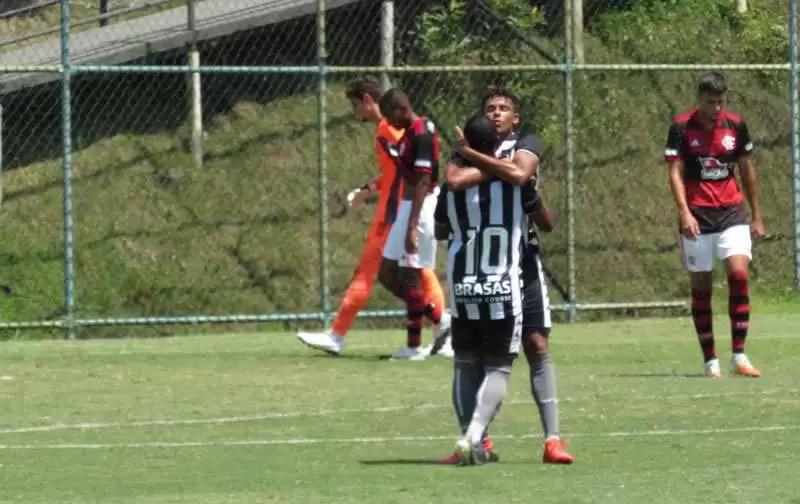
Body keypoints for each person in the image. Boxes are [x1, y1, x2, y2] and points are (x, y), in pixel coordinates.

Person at [438, 88, 574, 464]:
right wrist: (491, 168)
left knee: (537, 346)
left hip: (523, 261)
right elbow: (454, 180)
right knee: (480, 356)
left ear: (515, 118)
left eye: (504, 108)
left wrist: (478, 161)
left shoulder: (526, 143)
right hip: (488, 268)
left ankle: (553, 439)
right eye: (490, 109)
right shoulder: (463, 154)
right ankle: (479, 440)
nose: (497, 113)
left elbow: (521, 174)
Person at [296, 76, 452, 358]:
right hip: (397, 208)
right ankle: (441, 326)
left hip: (399, 210)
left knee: (392, 273)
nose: (356, 114)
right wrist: (368, 189)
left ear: (369, 100)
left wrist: (410, 218)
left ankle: (342, 335)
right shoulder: (393, 128)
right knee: (400, 274)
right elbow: (398, 171)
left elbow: (417, 173)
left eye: (356, 106)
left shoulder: (392, 128)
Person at [434, 112, 530, 465]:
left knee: (464, 363)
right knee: (499, 367)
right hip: (502, 287)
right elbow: (541, 217)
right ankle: (475, 434)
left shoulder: (451, 186)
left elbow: (441, 229)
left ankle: (469, 440)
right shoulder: (516, 181)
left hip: (464, 286)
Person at [664, 72, 764, 378]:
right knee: (702, 288)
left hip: (732, 213)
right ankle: (711, 361)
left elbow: (746, 169)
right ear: (700, 99)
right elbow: (675, 172)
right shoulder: (681, 127)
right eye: (711, 102)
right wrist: (684, 212)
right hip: (698, 217)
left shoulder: (735, 125)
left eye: (721, 101)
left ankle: (739, 356)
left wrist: (756, 215)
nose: (717, 108)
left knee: (738, 274)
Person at [376, 88, 452, 360]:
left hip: (420, 208)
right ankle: (440, 318)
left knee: (411, 274)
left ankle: (413, 346)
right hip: (409, 207)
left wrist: (411, 226)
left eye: (389, 116)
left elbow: (422, 181)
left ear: (401, 109)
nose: (389, 123)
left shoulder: (421, 133)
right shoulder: (412, 130)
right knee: (387, 272)